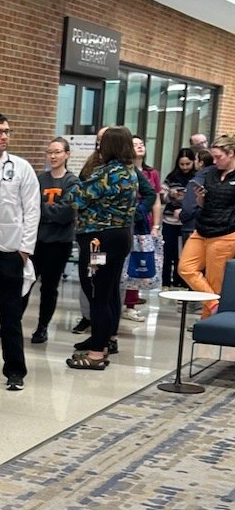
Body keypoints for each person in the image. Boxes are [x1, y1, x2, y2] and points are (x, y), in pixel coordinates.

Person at [64, 126, 138, 369]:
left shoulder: (106, 173)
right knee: (106, 293)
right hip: (120, 237)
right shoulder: (130, 171)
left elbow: (76, 198)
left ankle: (96, 355)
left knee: (96, 294)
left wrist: (70, 183)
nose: (99, 148)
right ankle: (103, 344)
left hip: (99, 243)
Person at [0, 113, 40, 390]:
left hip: (10, 250)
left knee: (10, 314)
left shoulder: (21, 167)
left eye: (7, 132)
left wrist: (25, 249)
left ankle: (15, 370)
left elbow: (32, 210)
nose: (4, 136)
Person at [178, 132, 235, 317]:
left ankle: (208, 322)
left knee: (214, 280)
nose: (215, 161)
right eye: (213, 157)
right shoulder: (211, 173)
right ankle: (213, 304)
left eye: (219, 157)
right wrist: (200, 199)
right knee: (185, 267)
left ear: (231, 153)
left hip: (225, 233)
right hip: (202, 228)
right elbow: (204, 203)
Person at [29, 137, 78, 344]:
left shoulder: (72, 182)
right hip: (37, 241)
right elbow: (30, 207)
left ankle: (42, 327)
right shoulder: (39, 180)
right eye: (50, 152)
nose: (53, 156)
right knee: (25, 283)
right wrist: (49, 212)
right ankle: (9, 324)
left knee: (49, 287)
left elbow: (66, 213)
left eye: (57, 152)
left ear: (66, 154)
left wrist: (42, 211)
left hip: (59, 243)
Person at [121, 136, 161, 321]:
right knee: (124, 261)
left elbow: (156, 199)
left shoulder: (151, 173)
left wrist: (156, 225)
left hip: (143, 220)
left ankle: (130, 304)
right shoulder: (122, 169)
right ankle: (118, 301)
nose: (139, 147)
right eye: (135, 144)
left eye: (141, 144)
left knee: (138, 261)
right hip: (123, 220)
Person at [160, 147, 195, 288]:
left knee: (186, 254)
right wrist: (171, 195)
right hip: (170, 220)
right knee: (169, 252)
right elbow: (162, 197)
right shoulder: (171, 177)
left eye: (188, 164)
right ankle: (166, 282)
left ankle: (181, 281)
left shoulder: (197, 177)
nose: (185, 167)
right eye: (182, 164)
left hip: (188, 222)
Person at [179, 147, 214, 241]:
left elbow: (188, 208)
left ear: (201, 163)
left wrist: (181, 215)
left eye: (195, 159)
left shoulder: (196, 182)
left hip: (191, 226)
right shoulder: (216, 179)